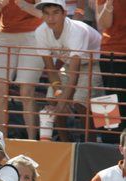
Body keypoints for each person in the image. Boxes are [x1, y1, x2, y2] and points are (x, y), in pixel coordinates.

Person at [34, 0, 103, 141]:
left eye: (55, 13)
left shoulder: (76, 31)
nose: (50, 18)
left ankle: (89, 142)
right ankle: (65, 142)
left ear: (65, 14)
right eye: (46, 13)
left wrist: (62, 103)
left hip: (95, 63)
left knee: (80, 102)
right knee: (52, 99)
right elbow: (50, 69)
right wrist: (59, 95)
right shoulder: (40, 32)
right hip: (69, 64)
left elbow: (74, 76)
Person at [0, 0, 43, 140]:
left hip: (34, 35)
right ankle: (1, 140)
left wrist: (22, 4)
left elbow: (44, 13)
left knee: (26, 91)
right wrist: (1, 4)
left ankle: (32, 141)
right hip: (5, 36)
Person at [96, 0, 126, 142]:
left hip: (114, 51)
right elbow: (103, 24)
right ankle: (107, 144)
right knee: (108, 99)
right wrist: (109, 3)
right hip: (112, 51)